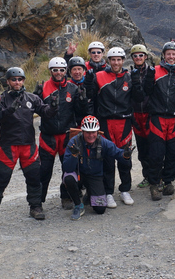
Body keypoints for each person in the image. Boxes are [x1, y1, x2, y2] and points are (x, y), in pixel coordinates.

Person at [0, 67, 56, 221]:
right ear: (8, 82)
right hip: (8, 146)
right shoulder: (1, 99)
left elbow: (46, 112)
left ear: (23, 80)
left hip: (28, 145)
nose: (17, 82)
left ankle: (35, 207)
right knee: (1, 178)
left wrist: (54, 106)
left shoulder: (31, 98)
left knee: (34, 177)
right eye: (14, 79)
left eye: (20, 79)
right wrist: (5, 110)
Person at [84, 47, 144, 208]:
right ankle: (109, 192)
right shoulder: (99, 76)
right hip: (106, 122)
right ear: (108, 61)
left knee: (125, 157)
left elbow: (139, 98)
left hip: (124, 122)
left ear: (123, 60)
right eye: (113, 59)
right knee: (107, 159)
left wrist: (138, 84)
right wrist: (88, 83)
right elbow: (90, 98)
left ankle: (125, 189)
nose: (116, 62)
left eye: (119, 59)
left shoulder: (130, 77)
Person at [142, 42, 175, 200]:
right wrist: (149, 77)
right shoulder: (155, 71)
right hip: (157, 117)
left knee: (172, 153)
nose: (171, 57)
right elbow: (146, 91)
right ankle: (154, 183)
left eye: (174, 54)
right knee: (156, 153)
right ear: (163, 55)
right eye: (168, 54)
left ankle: (168, 181)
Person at [35, 58, 87, 210]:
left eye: (62, 70)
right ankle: (37, 203)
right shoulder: (42, 87)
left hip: (66, 135)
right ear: (50, 71)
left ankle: (67, 196)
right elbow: (35, 109)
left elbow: (80, 112)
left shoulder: (73, 88)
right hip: (47, 136)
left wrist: (83, 101)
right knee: (44, 170)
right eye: (55, 70)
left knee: (69, 169)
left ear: (66, 71)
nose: (58, 73)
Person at [62, 116, 133, 220]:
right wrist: (73, 156)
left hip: (94, 176)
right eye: (88, 132)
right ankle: (78, 205)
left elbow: (117, 153)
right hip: (78, 174)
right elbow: (67, 167)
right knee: (68, 178)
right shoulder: (74, 142)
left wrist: (126, 155)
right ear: (82, 131)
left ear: (97, 132)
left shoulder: (103, 142)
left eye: (93, 132)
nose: (91, 135)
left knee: (100, 209)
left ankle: (90, 194)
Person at [129, 44, 152, 189]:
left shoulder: (153, 72)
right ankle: (147, 176)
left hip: (150, 114)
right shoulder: (128, 74)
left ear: (145, 57)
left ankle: (158, 176)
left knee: (154, 148)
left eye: (141, 55)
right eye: (135, 56)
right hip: (136, 114)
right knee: (142, 149)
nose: (138, 58)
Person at [67, 56, 91, 126]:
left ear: (84, 71)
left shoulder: (90, 83)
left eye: (79, 69)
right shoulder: (67, 85)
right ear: (70, 71)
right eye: (74, 69)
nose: (77, 72)